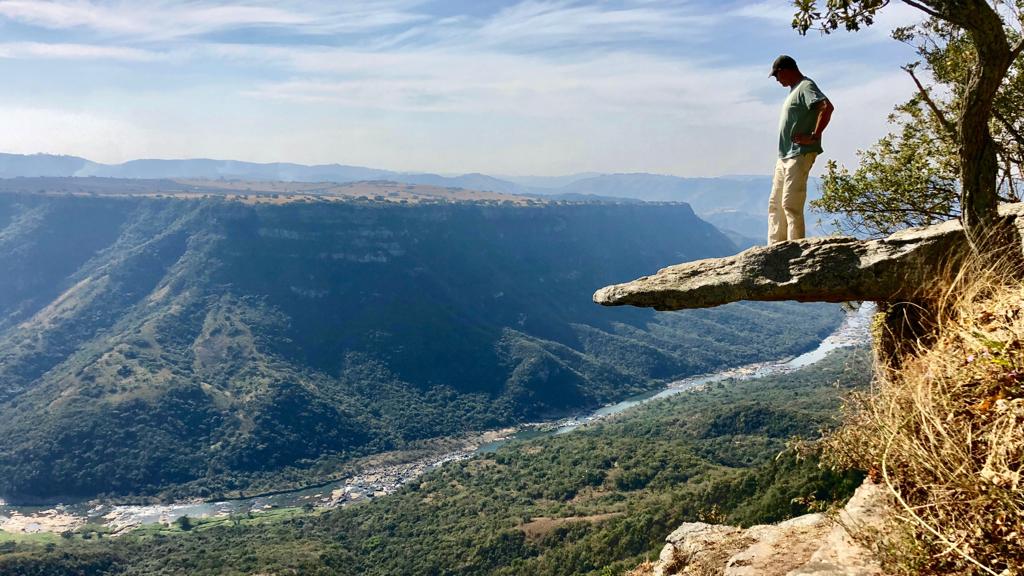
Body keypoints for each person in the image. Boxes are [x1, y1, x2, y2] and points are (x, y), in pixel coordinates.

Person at [767, 55, 834, 244]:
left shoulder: (806, 86)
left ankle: (794, 249)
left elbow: (827, 107)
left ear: (784, 70)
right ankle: (774, 249)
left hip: (799, 153)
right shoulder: (795, 90)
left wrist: (813, 136)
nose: (777, 80)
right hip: (785, 155)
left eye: (777, 75)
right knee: (775, 205)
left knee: (791, 204)